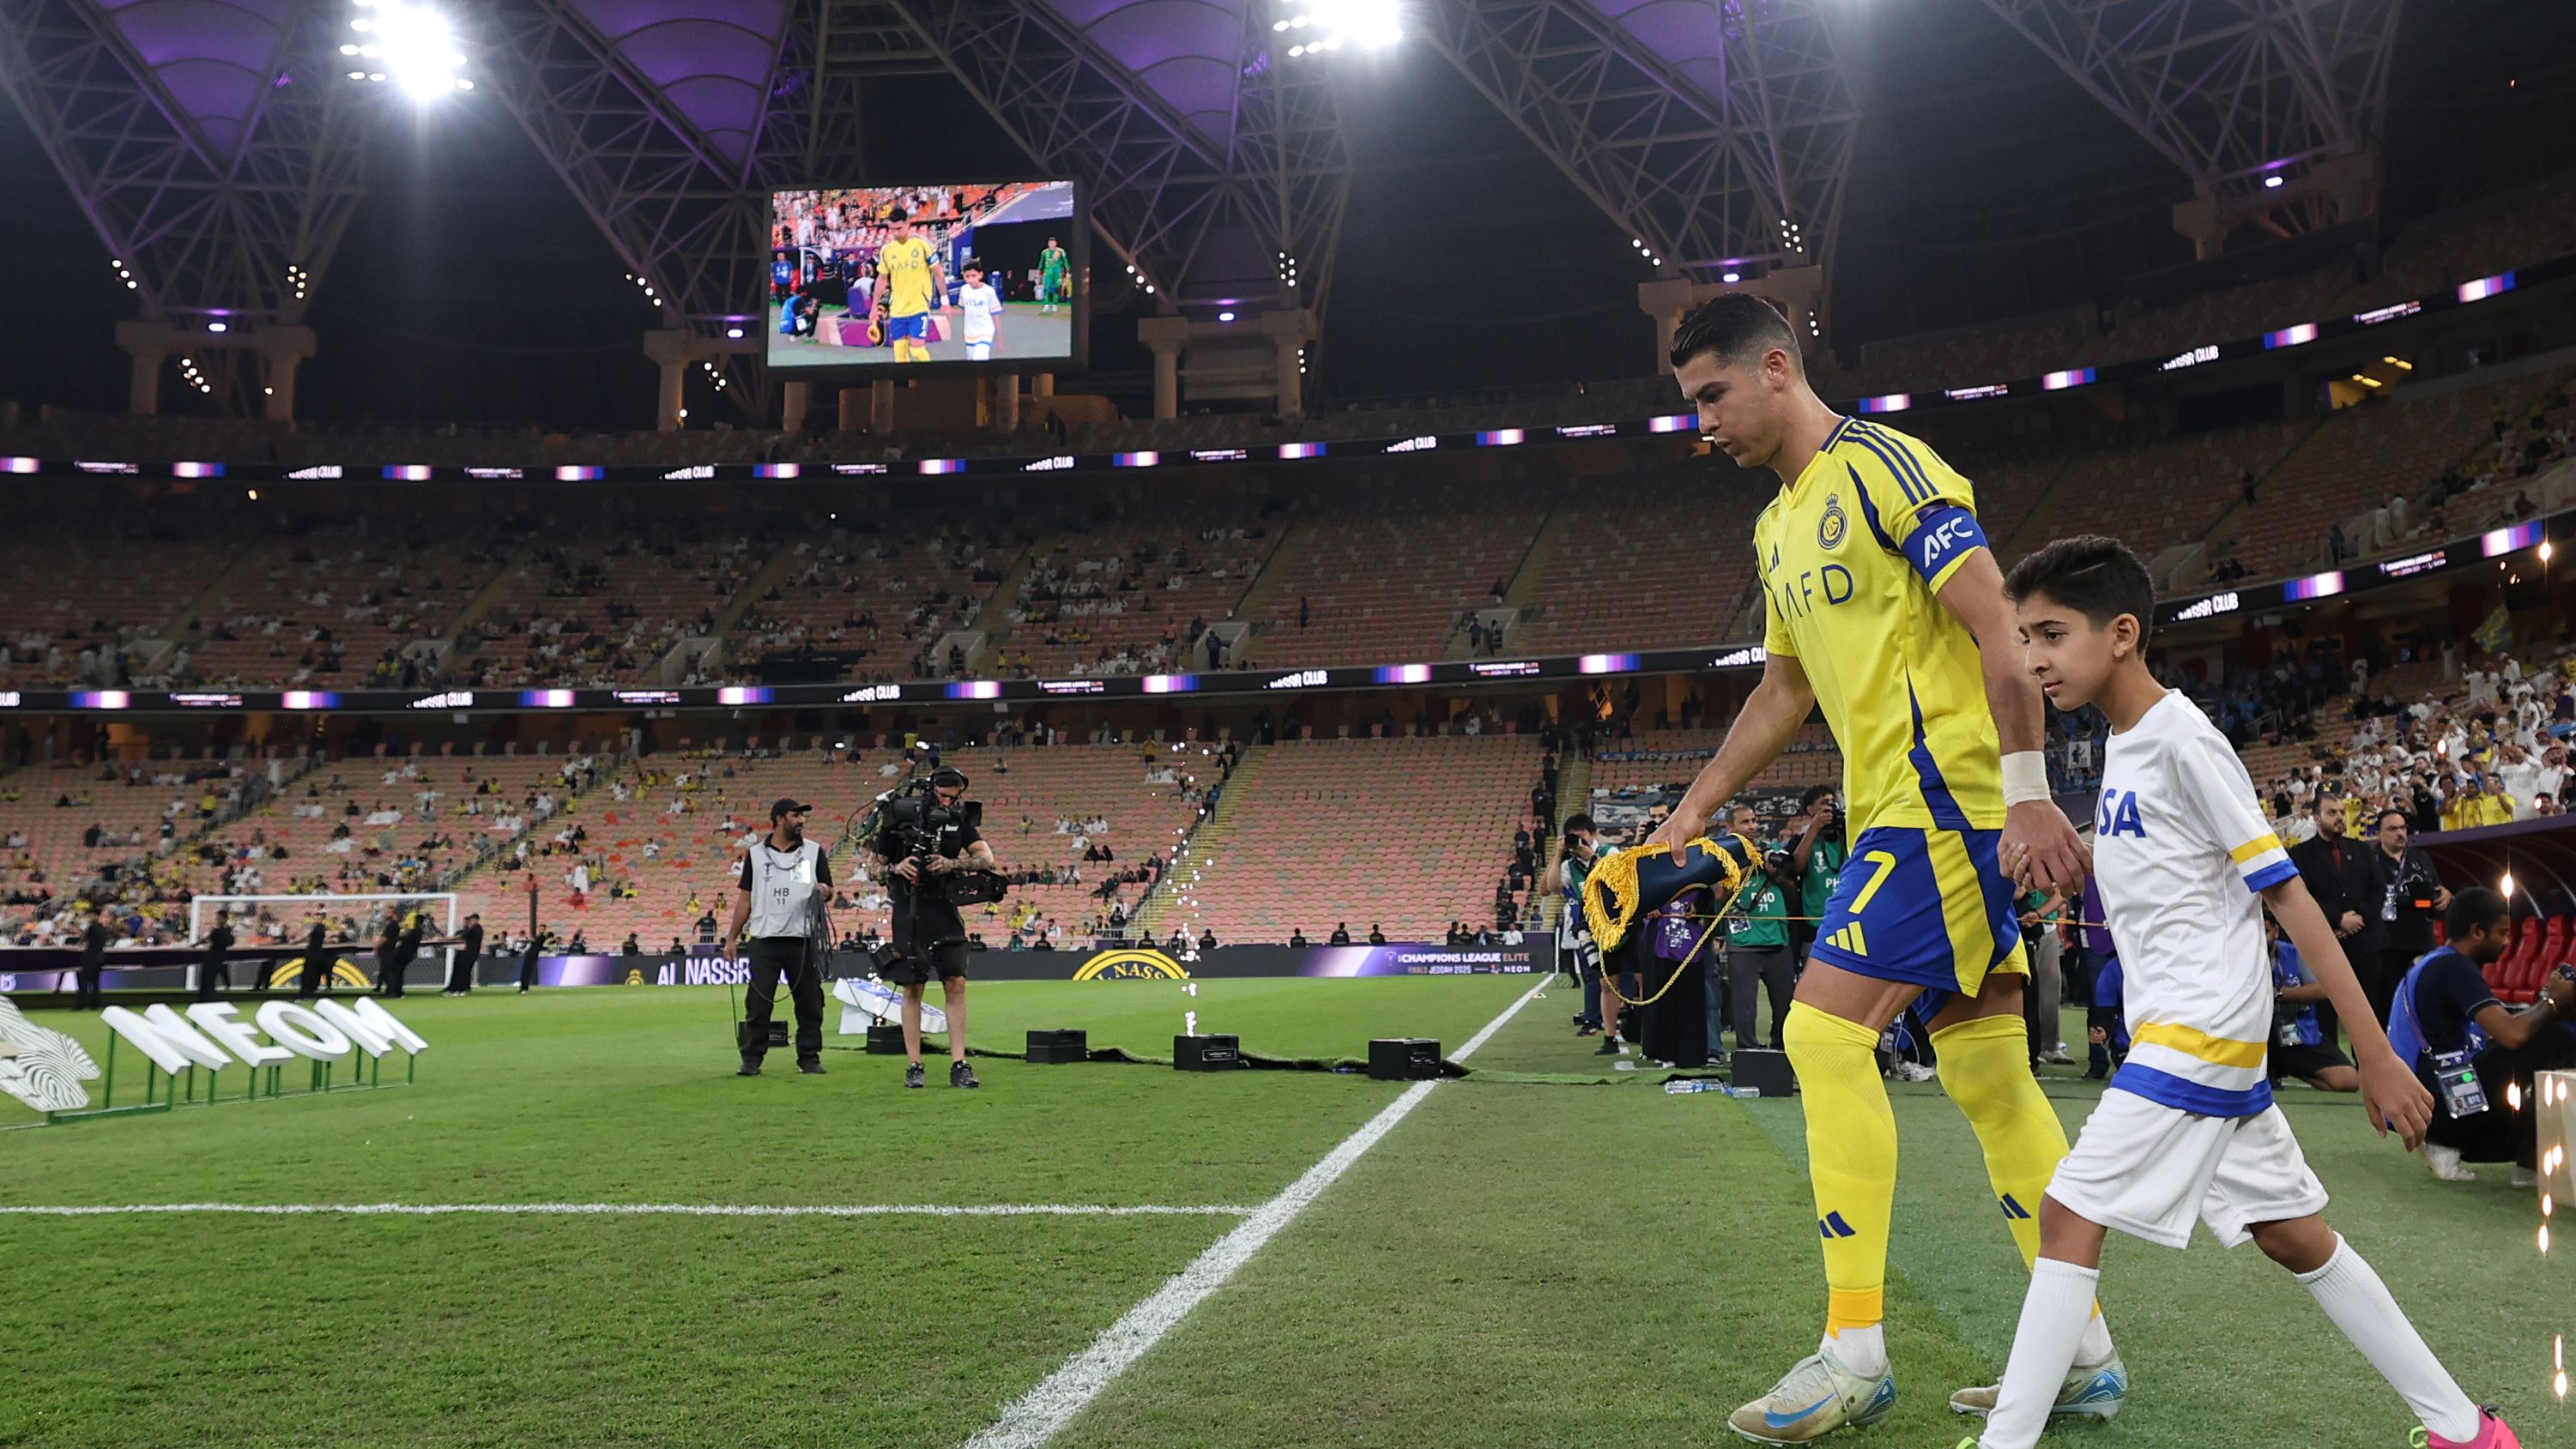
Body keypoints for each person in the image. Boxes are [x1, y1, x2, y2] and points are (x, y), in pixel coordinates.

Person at [1644, 293, 2097, 1441]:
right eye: (1688, 402)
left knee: (1818, 1034)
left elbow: (1999, 622)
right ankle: (2079, 1354)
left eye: (1711, 395)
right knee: (1989, 1074)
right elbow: (1782, 691)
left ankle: (1853, 1351)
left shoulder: (1885, 466)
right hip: (1898, 808)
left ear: (1777, 368)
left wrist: (2030, 792)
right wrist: (1692, 806)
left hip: (1946, 799)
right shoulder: (1774, 526)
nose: (1701, 422)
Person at [1964, 534, 2513, 1449]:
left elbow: (2287, 896)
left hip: (2200, 1030)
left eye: (2050, 635)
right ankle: (2466, 1431)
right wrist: (2071, 861)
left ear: (2123, 635)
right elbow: (2173, 875)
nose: (2031, 661)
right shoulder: (2123, 740)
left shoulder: (2183, 740)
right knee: (2290, 1233)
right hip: (2185, 1030)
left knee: (2065, 1213)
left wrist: (2373, 1052)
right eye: (2023, 639)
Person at [2400, 887, 2576, 1185]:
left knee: (2546, 1036)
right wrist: (2552, 1002)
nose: (2508, 942)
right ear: (2477, 932)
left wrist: (2551, 1003)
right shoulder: (2454, 967)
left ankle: (2529, 1160)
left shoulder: (2441, 961)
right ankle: (2525, 1161)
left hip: (2431, 1098)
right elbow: (2511, 1036)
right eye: (2502, 933)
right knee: (2556, 1040)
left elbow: (2501, 1029)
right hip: (2440, 1104)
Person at [874, 766, 997, 1089]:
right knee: (912, 986)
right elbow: (874, 866)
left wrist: (952, 863)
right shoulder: (899, 817)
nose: (948, 802)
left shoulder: (959, 820)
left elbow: (987, 858)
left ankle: (960, 1063)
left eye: (954, 797)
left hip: (945, 906)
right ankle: (914, 1064)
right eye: (944, 796)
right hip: (908, 908)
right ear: (931, 791)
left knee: (955, 982)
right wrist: (896, 867)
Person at [729, 799, 833, 1077]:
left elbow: (828, 888)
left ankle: (809, 1058)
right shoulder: (755, 855)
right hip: (764, 939)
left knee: (810, 1002)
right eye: (795, 815)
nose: (801, 820)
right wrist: (731, 938)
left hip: (802, 937)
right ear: (778, 820)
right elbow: (744, 900)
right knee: (758, 1003)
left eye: (803, 817)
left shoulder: (813, 851)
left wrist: (823, 890)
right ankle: (751, 1059)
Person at [2289, 795, 2378, 1053]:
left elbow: (2378, 889)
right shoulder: (2301, 854)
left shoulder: (2361, 849)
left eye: (2341, 812)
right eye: (2332, 813)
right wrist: (2338, 919)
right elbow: (2302, 897)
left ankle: (2371, 1063)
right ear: (2317, 818)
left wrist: (2358, 917)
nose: (2340, 817)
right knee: (2326, 1010)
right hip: (2325, 943)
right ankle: (2332, 1062)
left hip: (2364, 945)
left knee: (2369, 1010)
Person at [2365, 807, 2448, 1027]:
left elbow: (2436, 887)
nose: (2400, 833)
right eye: (2393, 829)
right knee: (2390, 1005)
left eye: (2403, 828)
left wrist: (2444, 893)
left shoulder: (2420, 857)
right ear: (2379, 833)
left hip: (2421, 942)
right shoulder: (2369, 862)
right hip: (2388, 947)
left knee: (2425, 1000)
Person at [1723, 807, 1797, 1054]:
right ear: (1730, 828)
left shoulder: (1770, 851)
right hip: (1743, 943)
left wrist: (1774, 871)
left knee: (1785, 1003)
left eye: (1755, 821)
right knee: (1744, 1006)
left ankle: (1782, 1050)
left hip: (1778, 939)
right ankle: (1748, 1052)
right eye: (1746, 822)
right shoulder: (1721, 856)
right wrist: (1750, 864)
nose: (1753, 826)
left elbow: (1793, 889)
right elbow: (1720, 894)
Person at [2265, 915, 2358, 1092]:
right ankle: (2269, 1069)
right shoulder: (2240, 958)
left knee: (2348, 1081)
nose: (2261, 938)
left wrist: (2277, 994)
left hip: (2295, 1032)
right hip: (2254, 1038)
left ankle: (2290, 1067)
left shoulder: (2294, 953)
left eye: (2266, 931)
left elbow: (2322, 989)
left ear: (2276, 932)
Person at [874, 209, 945, 364]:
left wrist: (945, 301)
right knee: (900, 355)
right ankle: (905, 386)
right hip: (897, 309)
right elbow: (881, 279)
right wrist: (874, 308)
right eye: (891, 229)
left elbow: (938, 273)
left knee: (917, 350)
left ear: (908, 225)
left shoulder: (922, 244)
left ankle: (931, 382)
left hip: (919, 306)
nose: (894, 233)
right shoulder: (887, 250)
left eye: (898, 229)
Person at [954, 260, 1002, 362]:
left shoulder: (989, 291)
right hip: (969, 333)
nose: (971, 279)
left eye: (973, 276)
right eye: (967, 276)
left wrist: (999, 338)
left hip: (985, 331)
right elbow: (963, 310)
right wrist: (950, 311)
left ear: (980, 275)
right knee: (971, 362)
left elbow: (996, 315)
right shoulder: (964, 290)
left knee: (980, 360)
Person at [195, 913, 235, 1003]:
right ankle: (206, 996)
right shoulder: (218, 930)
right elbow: (207, 939)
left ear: (224, 919)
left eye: (219, 918)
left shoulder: (225, 930)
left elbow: (229, 942)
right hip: (213, 956)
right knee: (207, 977)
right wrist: (195, 945)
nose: (217, 920)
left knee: (209, 976)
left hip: (217, 957)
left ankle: (208, 996)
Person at [76, 908, 109, 1010]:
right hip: (99, 957)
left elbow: (83, 941)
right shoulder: (103, 929)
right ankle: (95, 1004)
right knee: (95, 982)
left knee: (84, 981)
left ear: (95, 915)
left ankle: (80, 1004)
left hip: (90, 957)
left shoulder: (91, 928)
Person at [444, 913, 484, 996]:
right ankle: (462, 989)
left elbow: (460, 936)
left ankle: (458, 990)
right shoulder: (477, 929)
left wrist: (446, 939)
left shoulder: (474, 929)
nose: (471, 922)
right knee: (464, 971)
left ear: (477, 920)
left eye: (473, 920)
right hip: (471, 953)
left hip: (468, 953)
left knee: (462, 971)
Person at [299, 917, 330, 998]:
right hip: (318, 954)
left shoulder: (314, 932)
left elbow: (306, 937)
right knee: (315, 973)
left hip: (312, 954)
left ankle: (306, 991)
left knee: (308, 973)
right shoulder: (321, 933)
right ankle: (312, 989)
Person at [1037, 235, 1068, 314]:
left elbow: (1065, 261)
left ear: (1056, 243)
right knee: (1047, 288)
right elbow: (1041, 262)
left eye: (1053, 242)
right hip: (1048, 273)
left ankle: (1055, 304)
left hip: (1057, 273)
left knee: (1056, 289)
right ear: (1048, 243)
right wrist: (1039, 271)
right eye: (1050, 243)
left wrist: (1068, 270)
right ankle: (1046, 305)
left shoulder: (1060, 251)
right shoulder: (1044, 252)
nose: (1051, 244)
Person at [517, 929, 547, 993]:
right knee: (525, 972)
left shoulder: (541, 939)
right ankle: (523, 987)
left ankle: (524, 988)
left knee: (526, 972)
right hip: (529, 956)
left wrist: (524, 940)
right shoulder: (535, 942)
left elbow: (534, 941)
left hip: (531, 957)